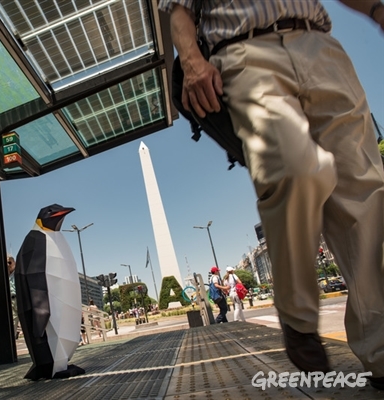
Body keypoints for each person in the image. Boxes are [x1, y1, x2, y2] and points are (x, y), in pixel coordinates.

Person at [161, 0, 384, 387]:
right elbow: (176, 5)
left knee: (363, 192)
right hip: (244, 49)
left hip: (320, 43)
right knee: (295, 169)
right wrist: (192, 59)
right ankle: (298, 315)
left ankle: (380, 351)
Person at [7, 256, 20, 339]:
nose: (8, 265)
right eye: (7, 263)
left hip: (18, 299)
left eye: (10, 262)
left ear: (14, 262)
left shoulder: (18, 273)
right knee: (13, 321)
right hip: (11, 300)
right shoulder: (6, 276)